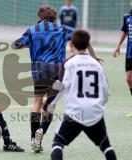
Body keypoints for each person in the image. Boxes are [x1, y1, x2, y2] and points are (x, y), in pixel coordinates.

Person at [12, 4, 100, 153]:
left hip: (38, 71)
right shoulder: (62, 29)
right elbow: (84, 39)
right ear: (54, 17)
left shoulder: (33, 30)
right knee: (50, 105)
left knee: (37, 102)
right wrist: (94, 57)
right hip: (56, 71)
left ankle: (34, 138)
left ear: (40, 17)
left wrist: (30, 45)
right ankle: (42, 130)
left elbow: (15, 45)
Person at [46, 30, 117, 160]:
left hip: (75, 112)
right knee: (106, 146)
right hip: (95, 113)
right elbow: (105, 90)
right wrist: (98, 104)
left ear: (71, 44)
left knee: (57, 143)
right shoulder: (97, 64)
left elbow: (61, 86)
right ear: (88, 44)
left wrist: (50, 104)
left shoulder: (69, 63)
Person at [113, 0, 132, 97]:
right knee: (129, 79)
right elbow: (124, 31)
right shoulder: (127, 17)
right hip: (130, 53)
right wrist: (118, 46)